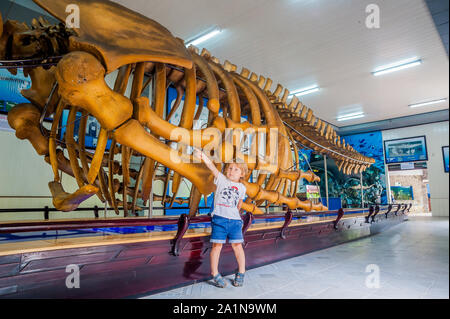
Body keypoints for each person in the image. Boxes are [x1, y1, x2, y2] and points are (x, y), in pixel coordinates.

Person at [193, 148, 248, 288]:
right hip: (219, 220)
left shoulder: (242, 187)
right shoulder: (222, 180)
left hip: (235, 222)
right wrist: (203, 156)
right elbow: (212, 167)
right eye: (230, 168)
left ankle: (241, 272)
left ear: (242, 173)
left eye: (236, 169)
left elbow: (239, 204)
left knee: (238, 246)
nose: (231, 171)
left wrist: (235, 215)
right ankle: (214, 273)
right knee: (216, 246)